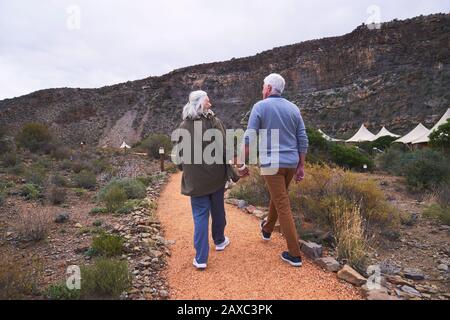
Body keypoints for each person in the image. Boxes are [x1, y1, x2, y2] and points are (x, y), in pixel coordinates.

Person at [240, 73, 309, 267]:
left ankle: (294, 254)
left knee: (282, 204)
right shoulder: (294, 108)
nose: (262, 89)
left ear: (269, 89)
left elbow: (249, 137)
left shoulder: (260, 107)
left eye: (263, 86)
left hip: (272, 164)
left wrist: (241, 162)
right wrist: (301, 165)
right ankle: (267, 229)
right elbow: (303, 139)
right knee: (279, 197)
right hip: (291, 163)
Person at [177, 90, 230, 270]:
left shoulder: (183, 127)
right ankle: (220, 241)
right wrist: (232, 170)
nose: (211, 103)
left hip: (196, 181)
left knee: (200, 217)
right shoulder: (214, 123)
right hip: (216, 177)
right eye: (208, 101)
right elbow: (225, 149)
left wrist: (184, 169)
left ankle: (201, 259)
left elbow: (178, 157)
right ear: (200, 103)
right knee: (218, 210)